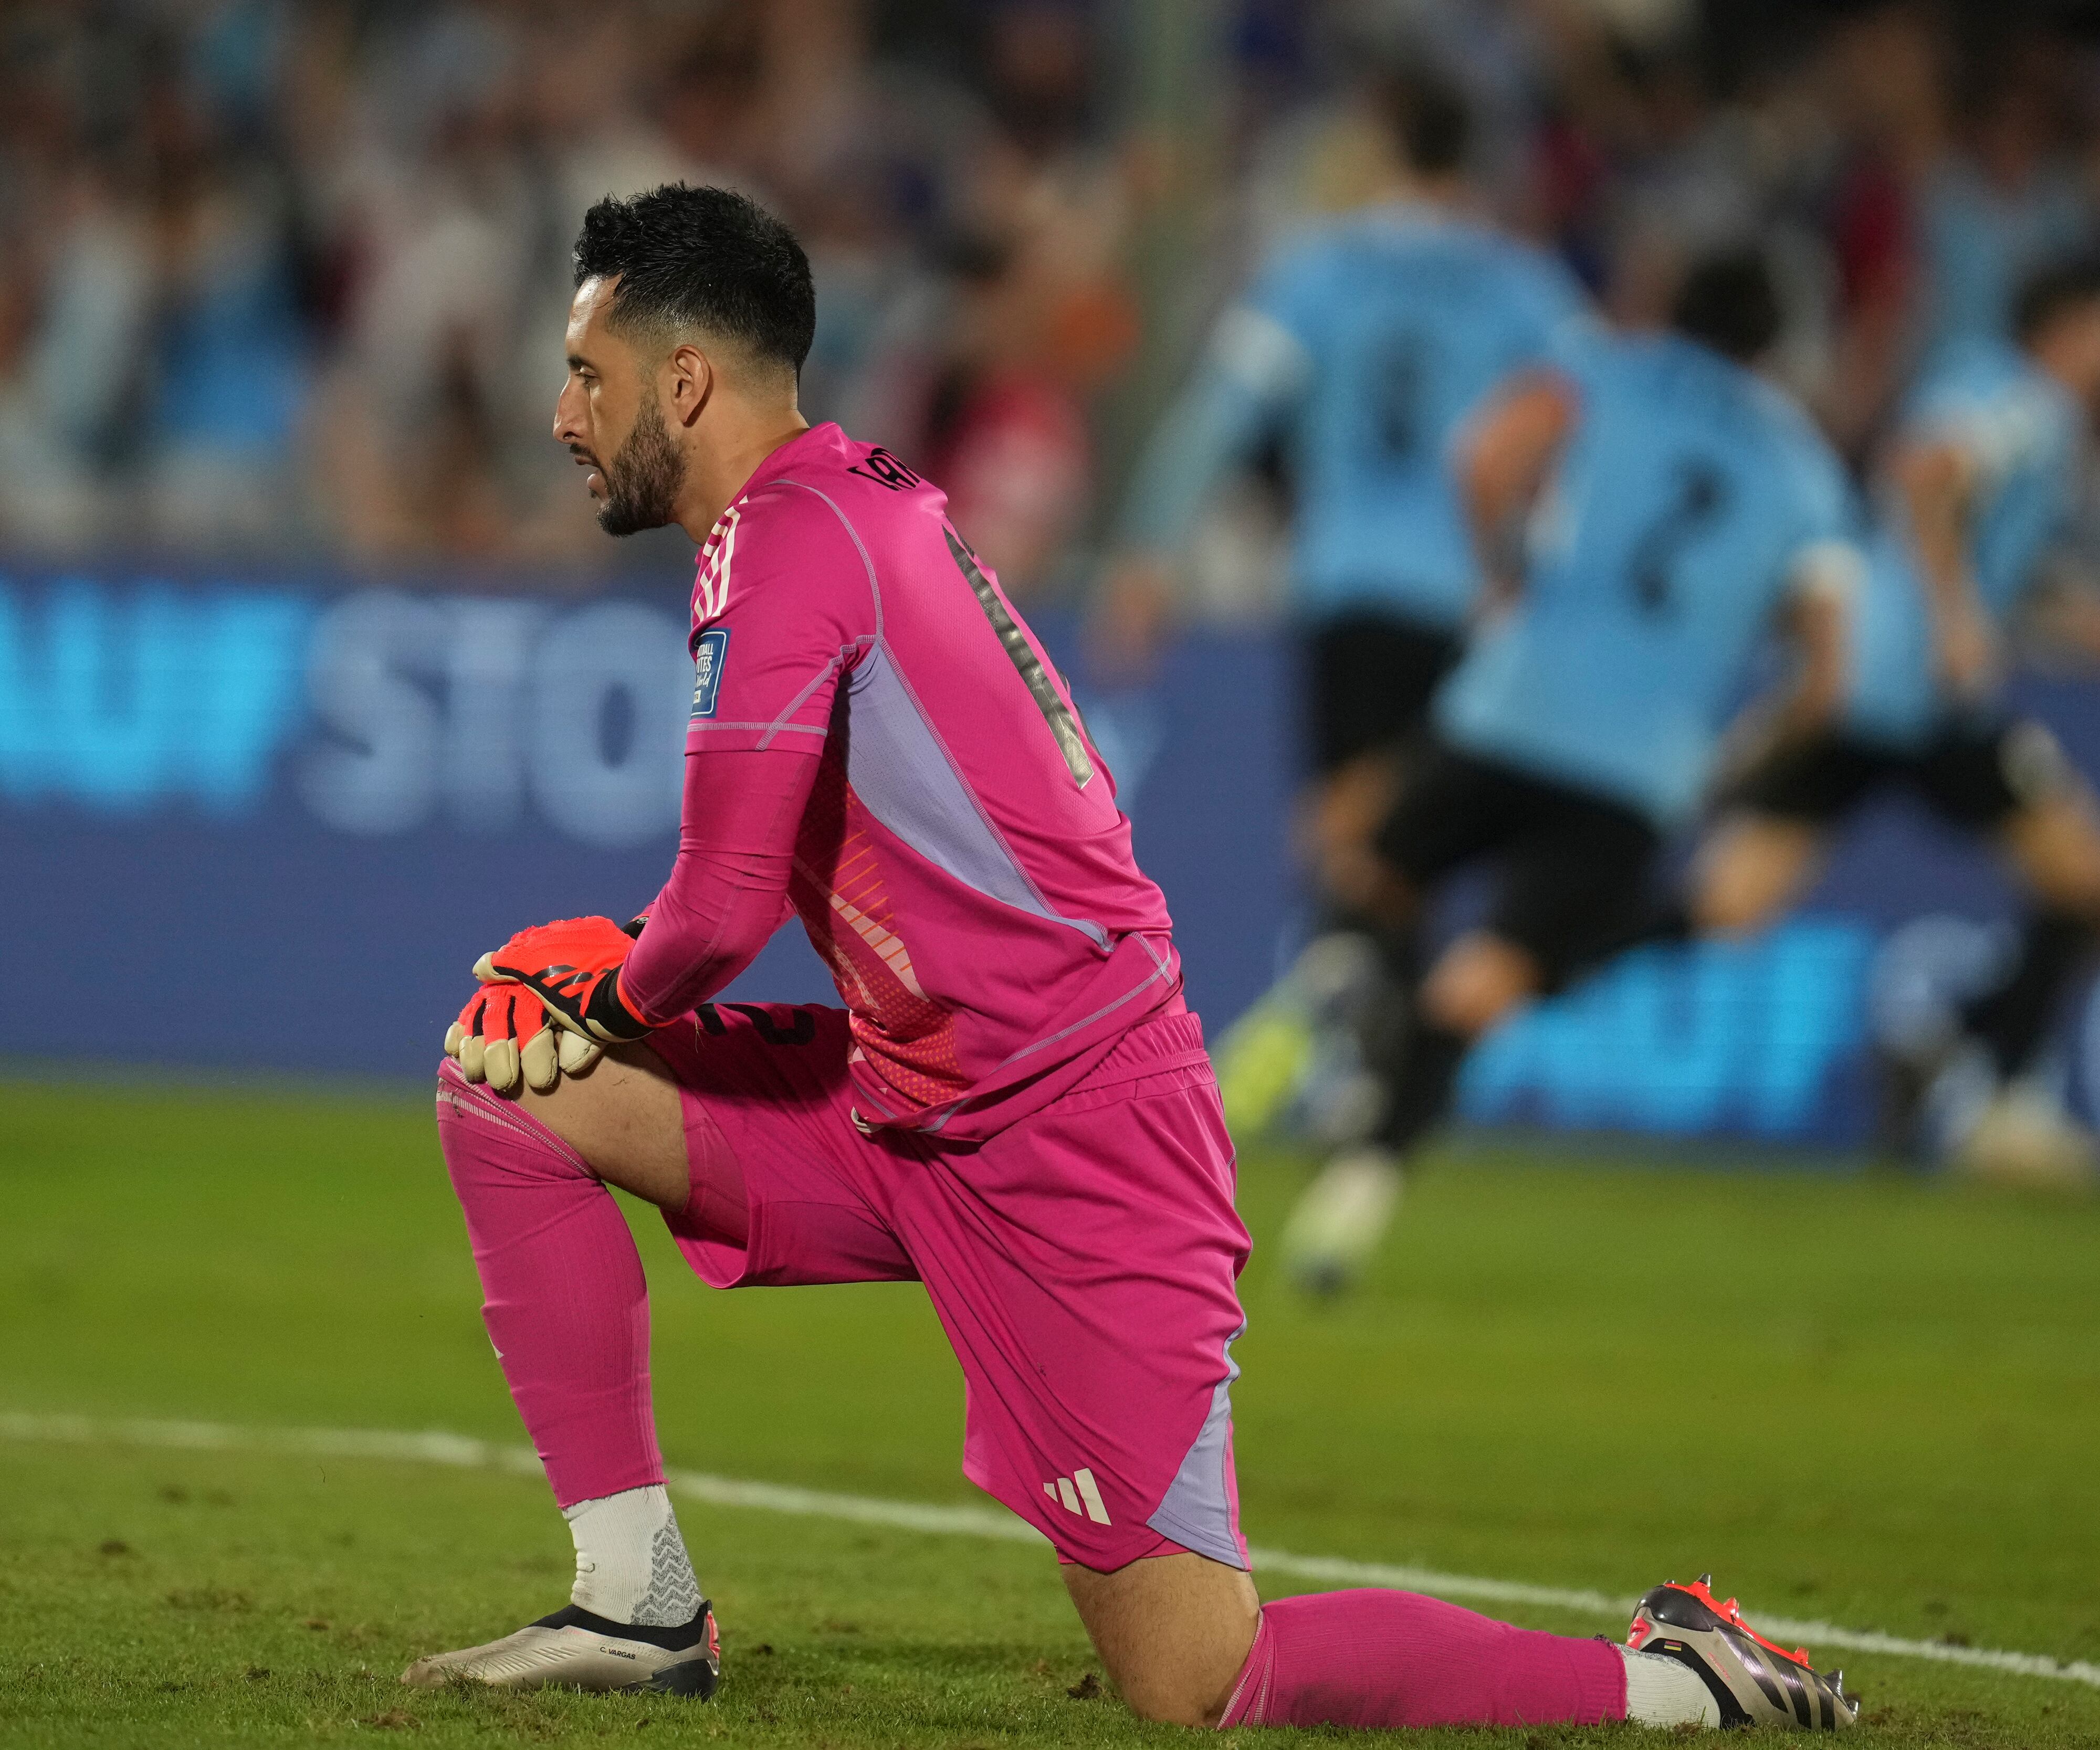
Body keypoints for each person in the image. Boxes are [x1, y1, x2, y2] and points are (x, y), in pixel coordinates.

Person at [408, 185, 1855, 1733]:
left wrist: (606, 978)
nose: (563, 414)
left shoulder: (785, 544)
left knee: (1201, 1676)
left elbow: (719, 910)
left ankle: (1675, 1679)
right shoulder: (839, 500)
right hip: (917, 1096)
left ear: (684, 380)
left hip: (1075, 1138)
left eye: (589, 376)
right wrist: (605, 987)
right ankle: (636, 1601)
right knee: (512, 1088)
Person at [1279, 251, 1862, 1293]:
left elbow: (1482, 458)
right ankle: (1358, 1190)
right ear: (1776, 344)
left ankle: (1345, 982)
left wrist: (1504, 577)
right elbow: (1826, 674)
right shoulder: (1803, 467)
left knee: (1365, 860)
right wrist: (1734, 751)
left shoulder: (1600, 367)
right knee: (1480, 986)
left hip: (1513, 706)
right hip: (1638, 773)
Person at [1092, 65, 1587, 1135]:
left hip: (1350, 588)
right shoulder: (1525, 289)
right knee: (1406, 842)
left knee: (1352, 838)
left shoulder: (1317, 272)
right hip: (1471, 602)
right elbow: (1583, 428)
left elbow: (1217, 415)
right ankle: (1376, 1062)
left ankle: (1351, 1044)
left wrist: (1146, 551)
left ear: (1388, 147)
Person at [1690, 259, 2100, 1187]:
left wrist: (2052, 614)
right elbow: (1923, 472)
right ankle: (1988, 1085)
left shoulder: (1985, 383)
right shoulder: (2033, 404)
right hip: (1922, 695)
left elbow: (1955, 519)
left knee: (1726, 902)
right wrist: (1954, 617)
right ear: (2074, 327)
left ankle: (1522, 975)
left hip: (1863, 682)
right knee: (2095, 880)